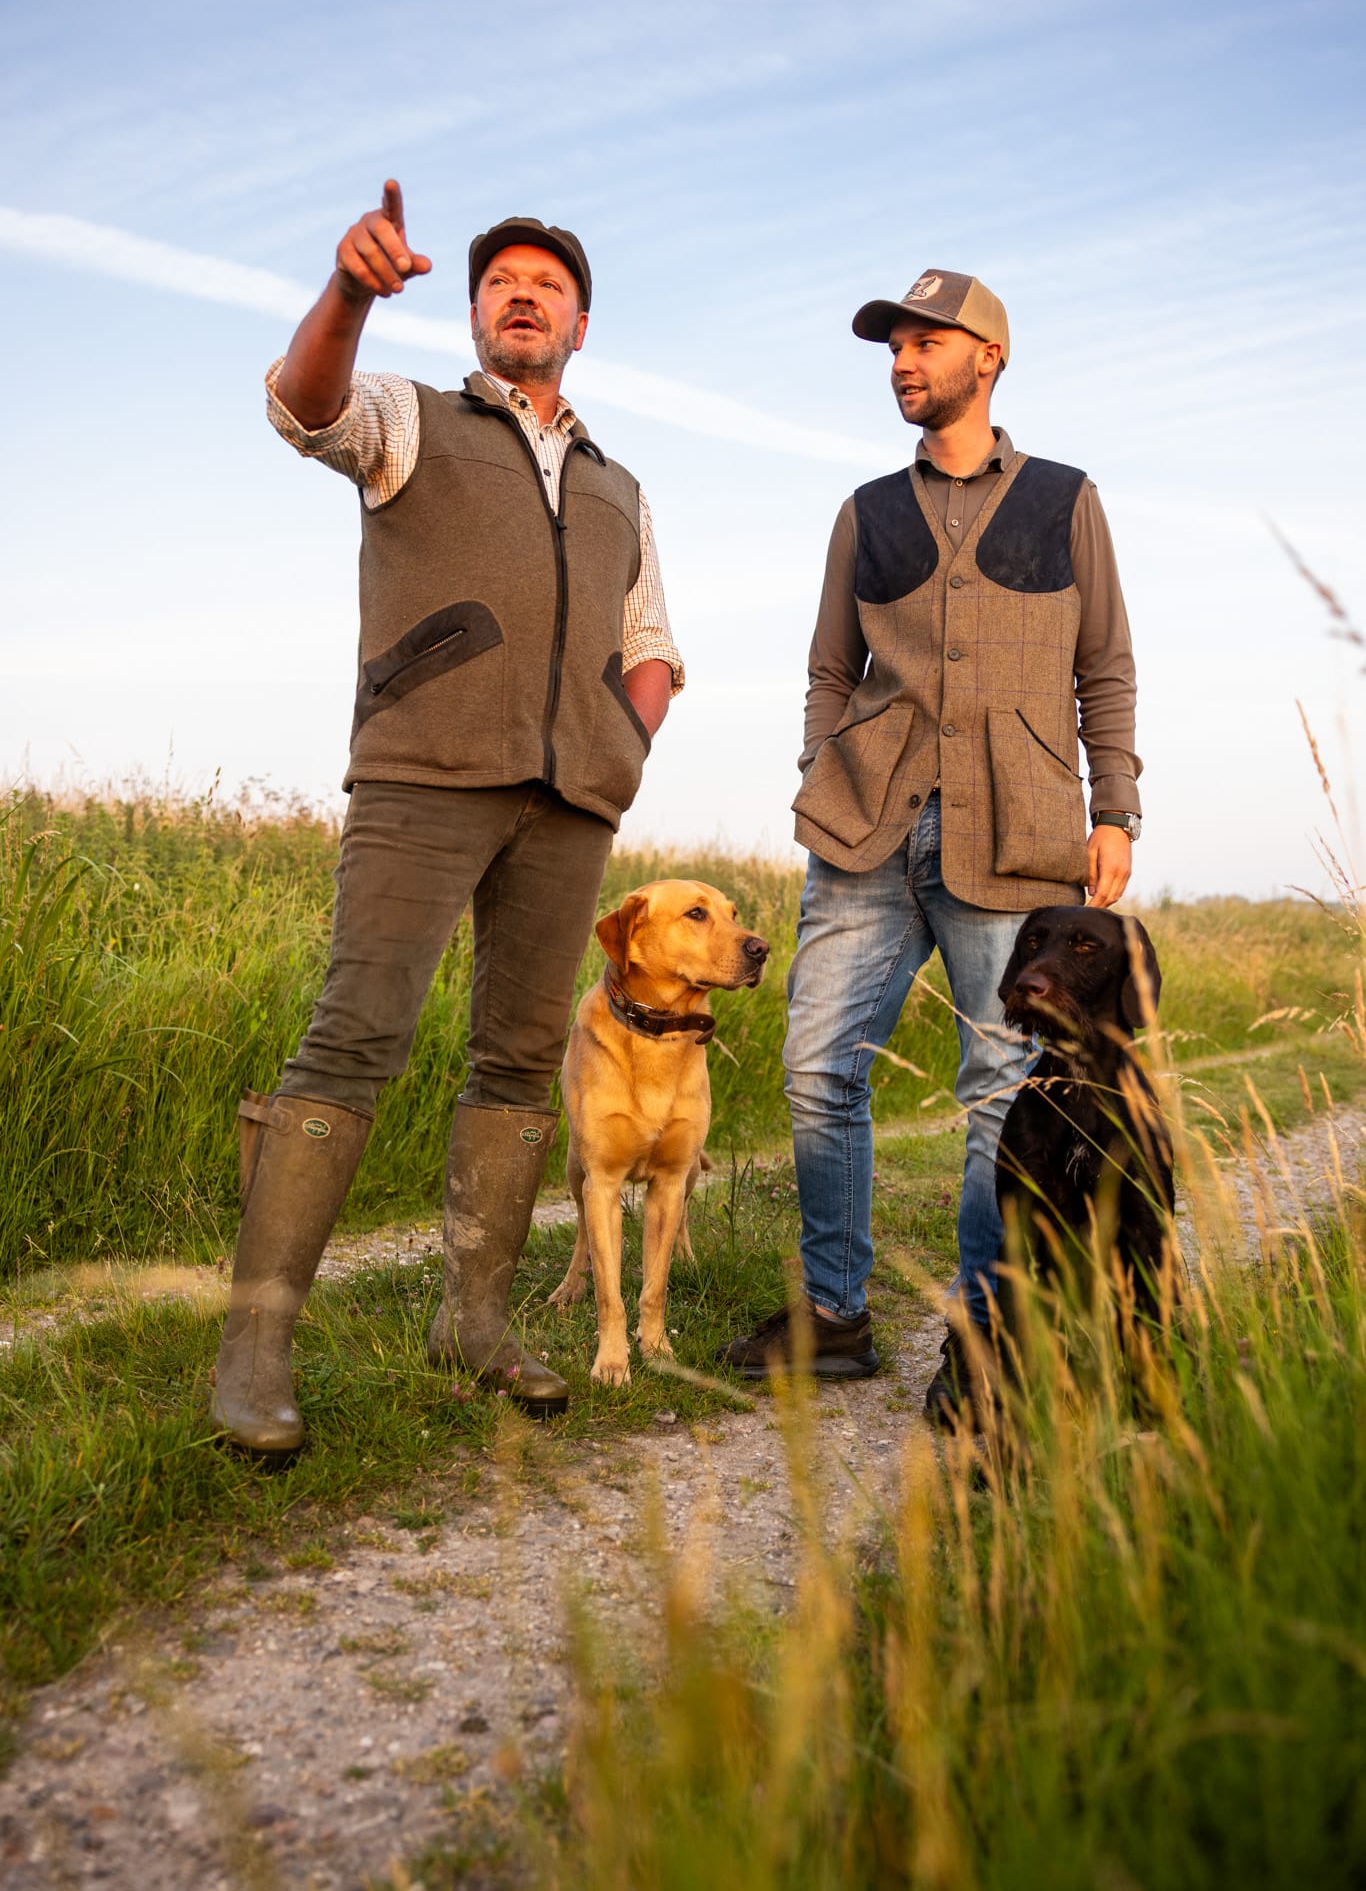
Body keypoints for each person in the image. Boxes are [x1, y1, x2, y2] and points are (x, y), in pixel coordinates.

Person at [210, 182, 683, 1451]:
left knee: (521, 1059)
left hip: (572, 800)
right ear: (475, 313)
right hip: (424, 770)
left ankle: (473, 1317)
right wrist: (351, 292)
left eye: (547, 285)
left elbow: (653, 641)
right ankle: (254, 1347)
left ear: (582, 321)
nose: (522, 297)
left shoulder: (619, 483)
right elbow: (303, 405)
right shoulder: (410, 416)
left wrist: (622, 742)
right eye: (499, 284)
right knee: (355, 1035)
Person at [720, 268, 1142, 1419]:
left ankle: (986, 1338)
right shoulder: (866, 509)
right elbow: (826, 666)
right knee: (817, 1070)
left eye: (924, 341)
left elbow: (1101, 663)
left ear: (988, 356)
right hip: (866, 829)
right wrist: (823, 768)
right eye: (891, 346)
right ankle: (835, 1316)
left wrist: (1114, 811)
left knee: (1003, 1090)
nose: (902, 360)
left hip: (1018, 837)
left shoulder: (1065, 499)